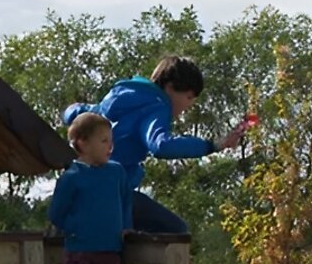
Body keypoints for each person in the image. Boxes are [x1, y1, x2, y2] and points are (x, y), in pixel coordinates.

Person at [62, 56, 248, 235]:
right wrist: (213, 145)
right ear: (170, 88)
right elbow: (161, 146)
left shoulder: (118, 99)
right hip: (112, 197)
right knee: (177, 231)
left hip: (82, 191)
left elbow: (74, 113)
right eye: (189, 97)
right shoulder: (158, 106)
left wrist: (71, 116)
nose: (189, 105)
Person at [48, 112, 134, 264]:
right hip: (80, 253)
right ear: (82, 143)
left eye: (111, 140)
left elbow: (126, 200)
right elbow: (56, 213)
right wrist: (76, 229)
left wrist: (126, 226)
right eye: (103, 141)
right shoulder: (72, 177)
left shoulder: (116, 172)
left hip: (111, 251)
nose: (110, 146)